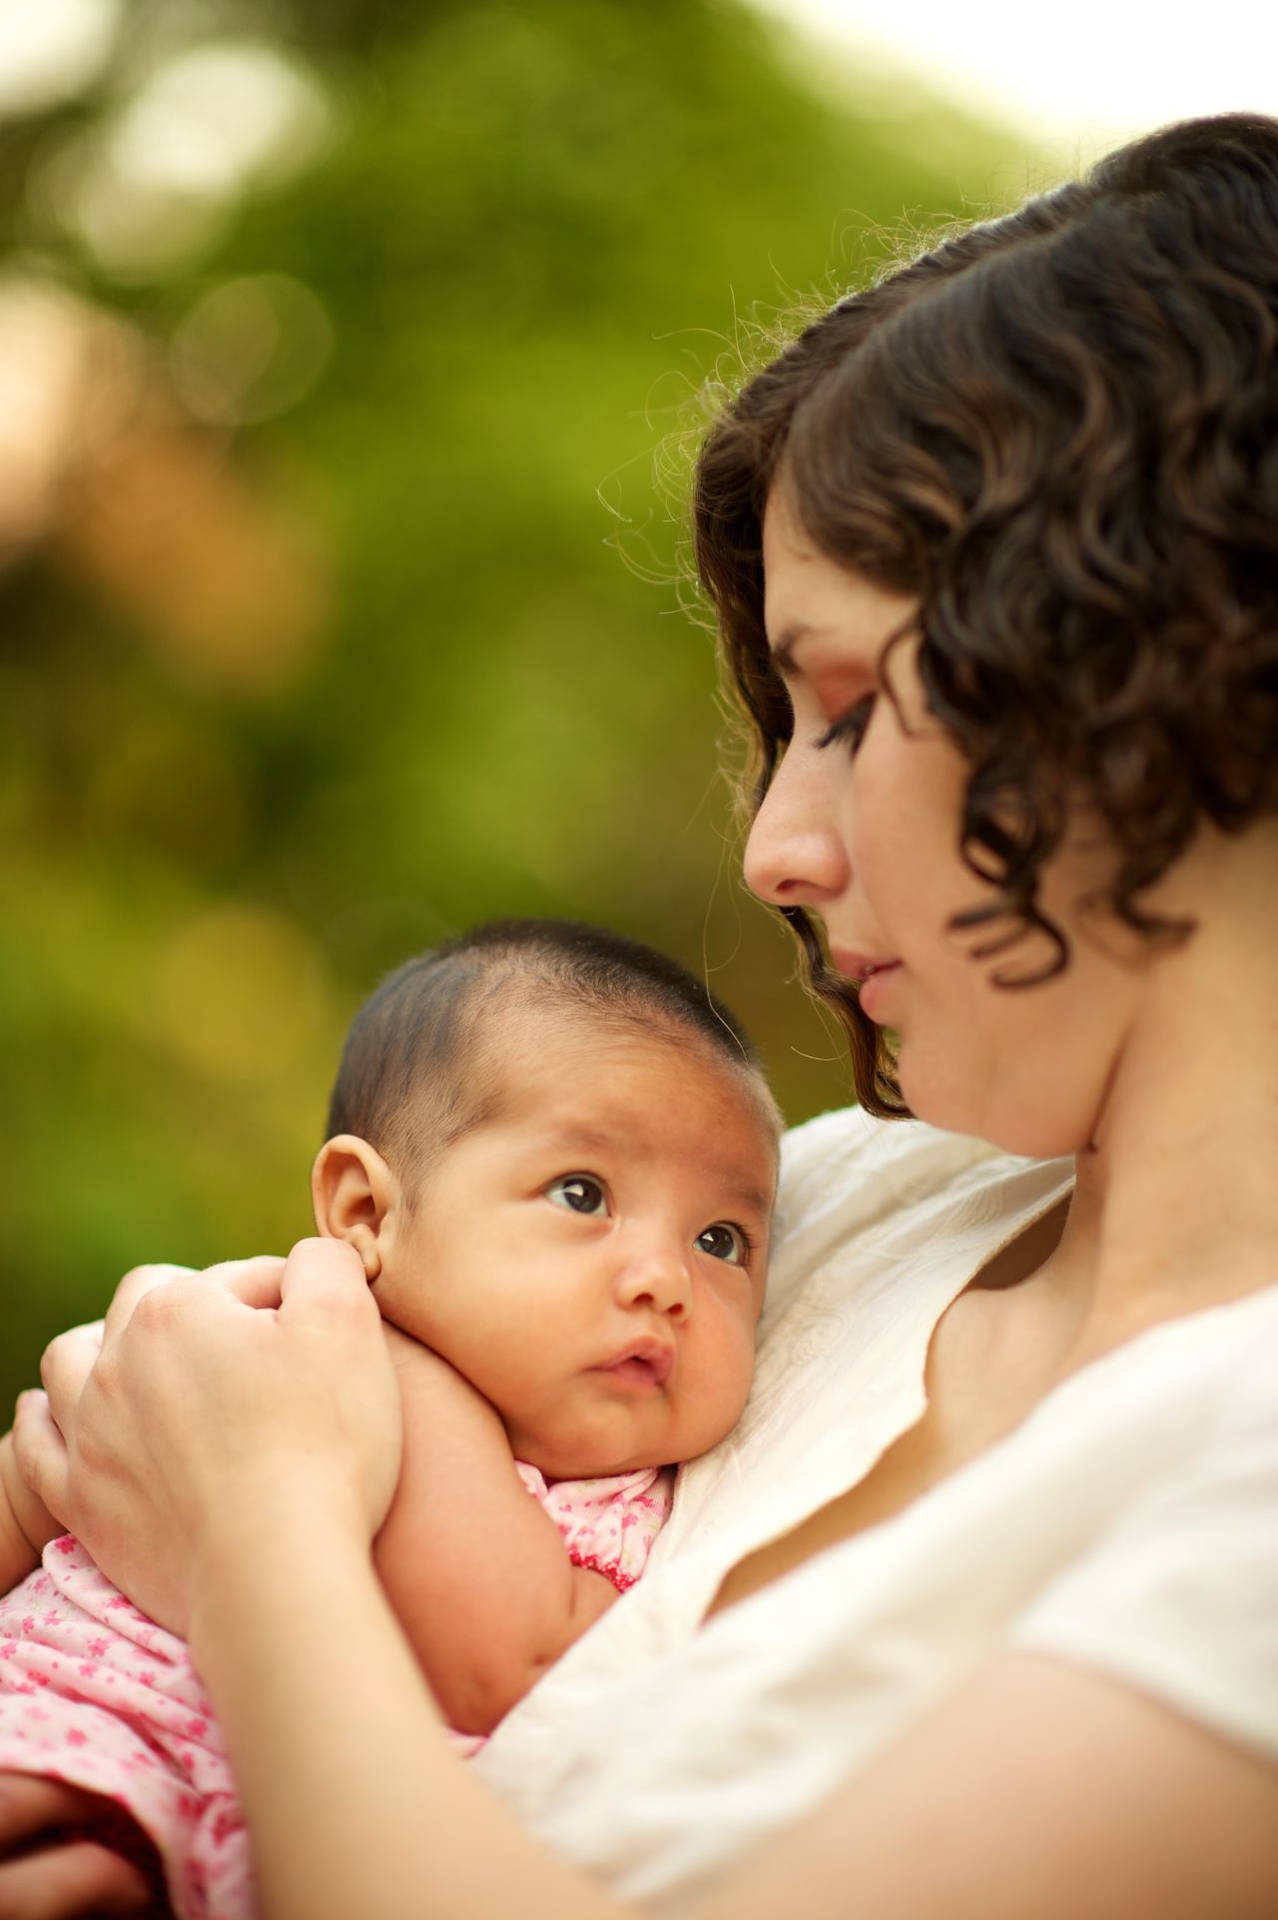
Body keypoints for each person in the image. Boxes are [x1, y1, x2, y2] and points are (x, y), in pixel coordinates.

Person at [2, 108, 1278, 1920]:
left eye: (841, 708)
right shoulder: (823, 1213)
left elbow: (244, 1479)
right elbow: (153, 1416)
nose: (774, 847)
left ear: (1161, 669)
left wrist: (250, 1541)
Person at [0, 918, 778, 1918]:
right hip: (80, 1763)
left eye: (723, 1238)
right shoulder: (365, 1371)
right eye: (582, 1193)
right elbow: (506, 1665)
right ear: (367, 1215)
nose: (665, 1279)